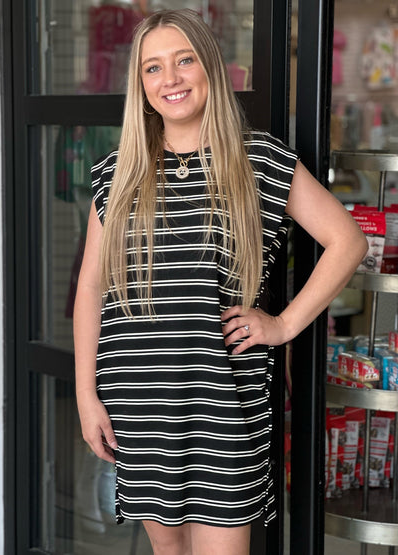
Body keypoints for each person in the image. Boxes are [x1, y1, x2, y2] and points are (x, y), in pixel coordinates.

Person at [73, 8, 367, 555]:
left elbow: (347, 241)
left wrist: (282, 324)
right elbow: (91, 287)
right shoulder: (117, 172)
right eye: (153, 68)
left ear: (210, 66)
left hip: (223, 403)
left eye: (184, 60)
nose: (171, 79)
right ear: (140, 86)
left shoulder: (261, 161)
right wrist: (87, 395)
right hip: (138, 403)